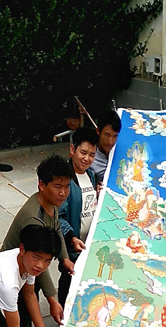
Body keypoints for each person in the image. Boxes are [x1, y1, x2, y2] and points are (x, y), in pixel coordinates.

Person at [0, 155, 72, 327]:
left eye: (67, 187)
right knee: (19, 320)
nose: (63, 193)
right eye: (57, 186)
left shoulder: (52, 203)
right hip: (15, 272)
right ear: (41, 185)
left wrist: (65, 258)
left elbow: (56, 230)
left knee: (28, 314)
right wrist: (53, 299)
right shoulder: (33, 217)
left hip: (30, 268)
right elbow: (40, 265)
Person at [58, 127, 99, 305]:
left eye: (91, 154)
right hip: (73, 249)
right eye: (83, 152)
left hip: (89, 246)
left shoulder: (91, 175)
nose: (86, 158)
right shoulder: (64, 180)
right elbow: (58, 217)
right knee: (68, 284)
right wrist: (72, 238)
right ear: (72, 149)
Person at [90, 109, 121, 186]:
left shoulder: (121, 149)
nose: (110, 142)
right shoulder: (90, 161)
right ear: (98, 131)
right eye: (107, 135)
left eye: (115, 136)